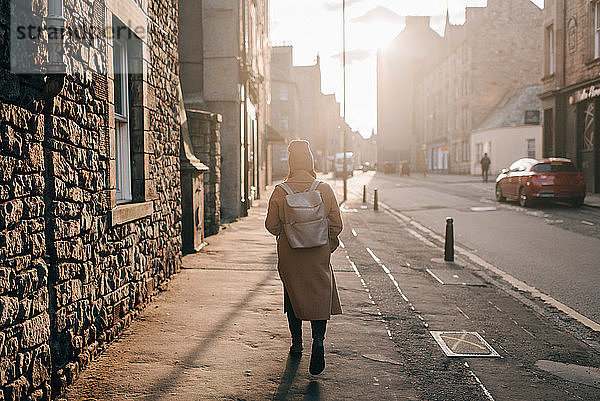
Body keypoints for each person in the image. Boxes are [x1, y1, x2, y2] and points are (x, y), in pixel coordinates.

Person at [265, 140, 343, 375]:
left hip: (291, 254)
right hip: (318, 253)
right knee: (320, 296)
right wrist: (325, 242)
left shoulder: (281, 191)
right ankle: (318, 340)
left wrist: (288, 231)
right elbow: (337, 225)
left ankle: (297, 344)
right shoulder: (324, 189)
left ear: (291, 162)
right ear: (310, 162)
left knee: (293, 296)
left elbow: (271, 225)